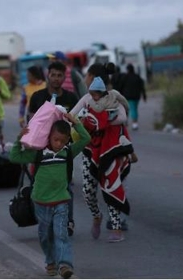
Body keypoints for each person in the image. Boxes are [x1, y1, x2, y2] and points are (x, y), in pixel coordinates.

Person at [9, 114, 90, 279]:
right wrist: (19, 139)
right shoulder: (38, 154)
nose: (59, 143)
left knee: (61, 233)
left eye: (63, 140)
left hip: (61, 200)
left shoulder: (68, 152)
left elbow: (85, 138)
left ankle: (64, 264)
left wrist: (75, 123)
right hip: (41, 202)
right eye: (55, 139)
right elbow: (14, 157)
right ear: (48, 137)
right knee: (45, 235)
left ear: (68, 140)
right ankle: (50, 261)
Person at [74, 73, 134, 243]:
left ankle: (116, 228)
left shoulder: (114, 99)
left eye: (97, 92)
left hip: (110, 149)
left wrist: (100, 120)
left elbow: (122, 117)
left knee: (111, 186)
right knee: (87, 191)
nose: (95, 96)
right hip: (89, 150)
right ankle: (96, 216)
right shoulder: (86, 99)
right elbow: (73, 115)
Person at [29, 61, 79, 236]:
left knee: (66, 184)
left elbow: (76, 123)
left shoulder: (71, 98)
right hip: (41, 150)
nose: (56, 78)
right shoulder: (37, 97)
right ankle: (46, 222)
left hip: (63, 149)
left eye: (60, 75)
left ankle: (68, 221)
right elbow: (31, 122)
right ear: (47, 76)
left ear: (64, 77)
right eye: (53, 75)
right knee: (40, 183)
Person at [120, 64, 147, 130]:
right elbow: (142, 87)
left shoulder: (125, 77)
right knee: (134, 109)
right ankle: (134, 123)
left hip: (127, 96)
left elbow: (121, 86)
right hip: (136, 96)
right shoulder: (137, 77)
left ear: (128, 70)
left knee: (127, 109)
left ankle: (128, 122)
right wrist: (144, 96)